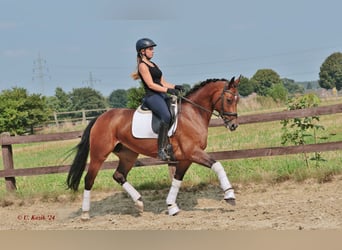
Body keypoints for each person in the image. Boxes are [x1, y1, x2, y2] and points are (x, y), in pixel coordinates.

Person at [131, 38, 184, 161]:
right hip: (152, 96)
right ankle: (161, 150)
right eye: (150, 49)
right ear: (142, 51)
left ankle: (170, 143)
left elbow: (162, 82)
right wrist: (168, 91)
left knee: (175, 113)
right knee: (166, 116)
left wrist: (175, 86)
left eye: (152, 49)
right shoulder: (142, 66)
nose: (153, 51)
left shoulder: (154, 65)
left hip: (161, 94)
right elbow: (150, 85)